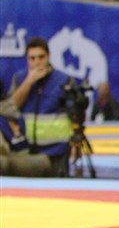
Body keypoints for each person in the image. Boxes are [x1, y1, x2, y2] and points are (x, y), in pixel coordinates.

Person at [7, 37, 73, 170]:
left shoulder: (64, 80)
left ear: (48, 57)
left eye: (41, 57)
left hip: (57, 150)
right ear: (27, 60)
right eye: (32, 58)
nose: (37, 62)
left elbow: (75, 114)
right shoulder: (20, 78)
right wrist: (28, 82)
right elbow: (10, 108)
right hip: (26, 150)